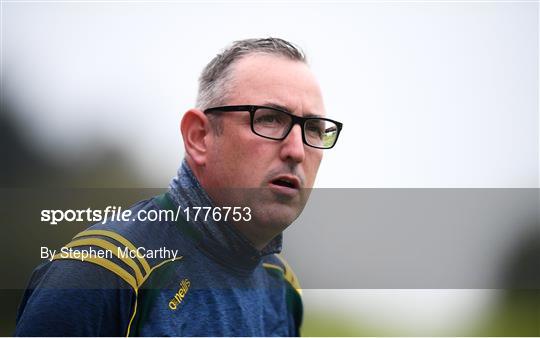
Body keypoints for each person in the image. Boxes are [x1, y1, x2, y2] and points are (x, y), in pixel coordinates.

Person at [15, 37, 343, 336]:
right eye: (270, 118)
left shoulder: (280, 286)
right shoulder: (96, 276)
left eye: (314, 129)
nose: (297, 150)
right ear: (199, 137)